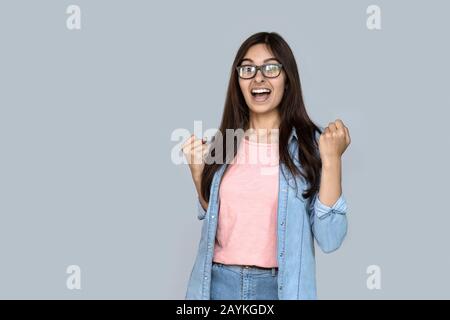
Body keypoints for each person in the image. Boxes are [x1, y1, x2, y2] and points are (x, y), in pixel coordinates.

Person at [182, 32, 351, 300]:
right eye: (248, 69)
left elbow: (330, 239)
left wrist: (332, 161)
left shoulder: (311, 145)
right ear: (238, 80)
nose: (258, 78)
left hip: (279, 289)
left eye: (270, 68)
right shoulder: (223, 144)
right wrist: (198, 175)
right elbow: (220, 220)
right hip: (217, 286)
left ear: (288, 79)